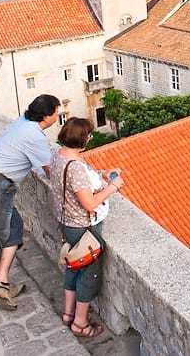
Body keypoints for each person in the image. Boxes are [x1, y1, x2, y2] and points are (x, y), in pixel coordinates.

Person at [0, 94, 61, 310]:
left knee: (14, 227)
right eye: (56, 112)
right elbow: (50, 172)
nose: (58, 115)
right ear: (46, 117)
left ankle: (2, 282)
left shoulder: (23, 122)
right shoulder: (35, 136)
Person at [50, 117, 123, 338]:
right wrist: (112, 187)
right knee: (89, 274)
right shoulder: (75, 168)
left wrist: (100, 175)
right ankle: (80, 323)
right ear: (82, 139)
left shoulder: (58, 156)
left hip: (66, 223)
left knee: (73, 267)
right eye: (89, 135)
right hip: (83, 227)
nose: (90, 138)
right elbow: (90, 204)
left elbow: (76, 184)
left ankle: (68, 314)